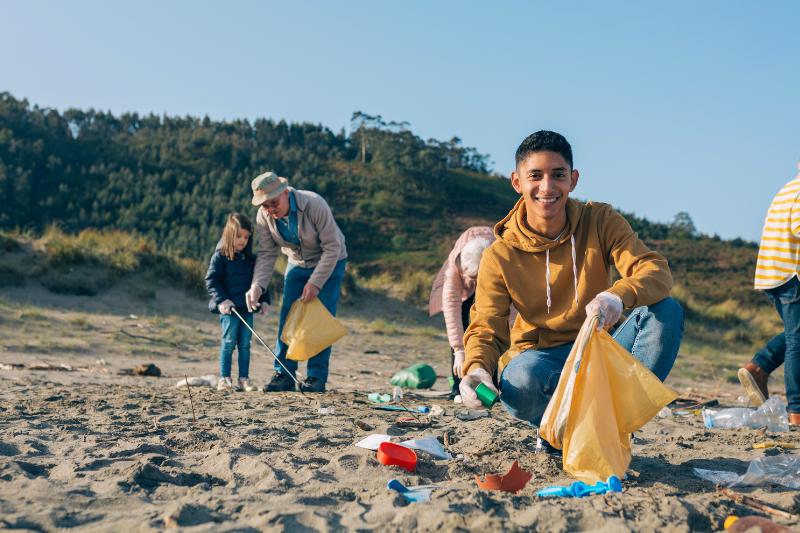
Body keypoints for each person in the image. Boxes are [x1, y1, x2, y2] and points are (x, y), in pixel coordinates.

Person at [459, 130, 684, 425]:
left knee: (666, 311)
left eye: (558, 175)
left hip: (601, 345)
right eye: (535, 175)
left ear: (573, 180)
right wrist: (476, 369)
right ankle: (562, 428)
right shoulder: (499, 255)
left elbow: (654, 270)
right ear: (517, 182)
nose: (547, 187)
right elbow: (486, 326)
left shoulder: (601, 221)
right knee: (520, 379)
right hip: (541, 360)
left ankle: (613, 423)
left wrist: (616, 296)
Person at [244, 171, 347, 393]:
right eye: (265, 206)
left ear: (286, 192)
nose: (271, 209)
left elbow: (332, 248)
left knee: (319, 319)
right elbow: (267, 253)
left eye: (274, 203)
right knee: (288, 317)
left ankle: (316, 377)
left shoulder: (314, 204)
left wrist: (315, 283)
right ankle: (284, 373)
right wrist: (257, 286)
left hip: (330, 260)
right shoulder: (264, 218)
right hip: (297, 263)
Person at [737, 164, 800, 426]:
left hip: (772, 274)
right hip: (791, 275)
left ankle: (758, 368)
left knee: (795, 333)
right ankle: (796, 410)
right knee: (798, 340)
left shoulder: (788, 189)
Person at [429, 227, 513, 400]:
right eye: (472, 277)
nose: (476, 282)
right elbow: (451, 308)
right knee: (463, 332)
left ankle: (491, 385)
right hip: (462, 289)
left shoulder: (502, 260)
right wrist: (459, 350)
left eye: (478, 278)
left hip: (492, 280)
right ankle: (458, 386)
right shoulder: (455, 267)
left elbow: (510, 307)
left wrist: (511, 333)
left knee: (491, 332)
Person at [205, 213, 268, 392]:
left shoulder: (249, 259)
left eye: (246, 237)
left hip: (246, 308)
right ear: (229, 235)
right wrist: (222, 300)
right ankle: (224, 378)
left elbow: (259, 281)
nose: (242, 241)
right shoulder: (221, 256)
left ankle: (243, 379)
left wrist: (264, 300)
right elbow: (212, 280)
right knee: (229, 341)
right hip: (229, 309)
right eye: (239, 236)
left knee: (245, 344)